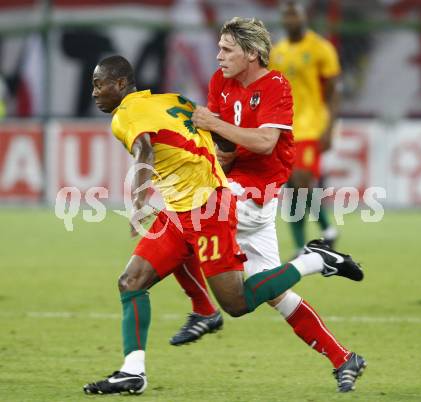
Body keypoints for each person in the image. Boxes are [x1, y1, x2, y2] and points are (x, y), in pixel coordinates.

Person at [84, 54, 363, 395]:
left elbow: (144, 150)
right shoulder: (174, 100)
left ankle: (315, 260)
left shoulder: (125, 115)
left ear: (121, 84)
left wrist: (140, 200)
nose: (95, 92)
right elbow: (220, 139)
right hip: (186, 208)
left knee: (239, 303)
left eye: (99, 85)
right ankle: (134, 371)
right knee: (131, 281)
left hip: (210, 208)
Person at [170, 17, 366, 393]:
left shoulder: (276, 85)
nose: (218, 56)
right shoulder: (219, 83)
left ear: (252, 54)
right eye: (219, 48)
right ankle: (344, 358)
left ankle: (202, 311)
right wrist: (214, 148)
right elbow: (223, 147)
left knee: (178, 222)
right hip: (236, 188)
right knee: (268, 296)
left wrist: (214, 124)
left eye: (227, 49)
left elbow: (263, 143)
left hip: (255, 193)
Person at [269, 1, 341, 252]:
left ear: (303, 17)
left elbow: (333, 92)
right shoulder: (276, 53)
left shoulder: (321, 48)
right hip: (285, 128)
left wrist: (330, 127)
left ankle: (328, 229)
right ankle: (303, 245)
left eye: (294, 15)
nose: (290, 20)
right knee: (292, 187)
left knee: (301, 181)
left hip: (312, 125)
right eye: (286, 16)